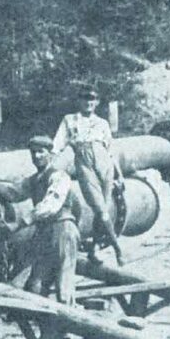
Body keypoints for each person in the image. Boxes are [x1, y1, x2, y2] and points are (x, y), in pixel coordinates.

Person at [0, 136, 81, 339]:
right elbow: (13, 192)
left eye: (41, 152)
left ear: (51, 153)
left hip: (63, 230)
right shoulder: (35, 180)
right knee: (36, 287)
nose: (36, 156)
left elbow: (50, 206)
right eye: (33, 152)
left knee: (64, 288)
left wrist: (21, 223)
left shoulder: (59, 177)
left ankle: (65, 335)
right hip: (44, 234)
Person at [52, 87, 125, 265]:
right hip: (84, 162)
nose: (88, 102)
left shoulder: (102, 123)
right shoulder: (69, 120)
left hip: (104, 163)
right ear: (79, 100)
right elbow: (57, 144)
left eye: (92, 99)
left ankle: (94, 249)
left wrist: (119, 174)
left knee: (104, 209)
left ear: (97, 102)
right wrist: (52, 165)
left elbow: (110, 150)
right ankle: (117, 248)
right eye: (85, 98)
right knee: (100, 208)